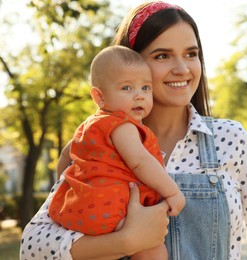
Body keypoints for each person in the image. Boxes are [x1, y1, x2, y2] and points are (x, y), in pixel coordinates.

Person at [20, 1, 247, 259]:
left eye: (191, 54)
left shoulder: (231, 140)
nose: (182, 68)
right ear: (130, 61)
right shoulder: (98, 141)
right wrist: (126, 242)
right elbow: (32, 248)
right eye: (162, 55)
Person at [47, 45, 185, 259]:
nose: (139, 96)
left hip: (84, 208)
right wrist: (172, 192)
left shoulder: (88, 126)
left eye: (145, 88)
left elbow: (65, 158)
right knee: (153, 248)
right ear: (99, 97)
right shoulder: (122, 125)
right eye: (127, 88)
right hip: (113, 207)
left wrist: (64, 185)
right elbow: (140, 161)